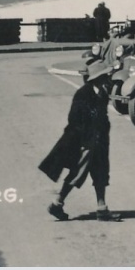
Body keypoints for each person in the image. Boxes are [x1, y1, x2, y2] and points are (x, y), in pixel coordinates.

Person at [39, 66, 117, 221]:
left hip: (100, 141)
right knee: (77, 174)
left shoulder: (102, 93)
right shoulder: (82, 94)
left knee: (101, 172)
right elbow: (74, 120)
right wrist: (85, 139)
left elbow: (103, 117)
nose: (108, 79)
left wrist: (103, 133)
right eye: (104, 76)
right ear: (97, 78)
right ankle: (57, 204)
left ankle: (102, 208)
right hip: (86, 142)